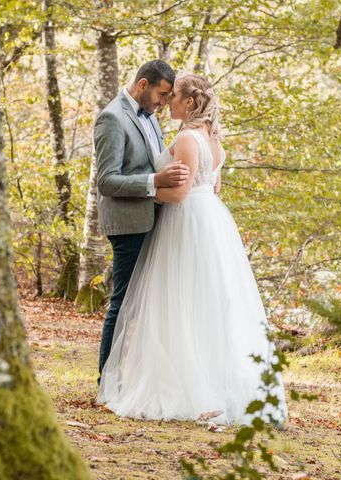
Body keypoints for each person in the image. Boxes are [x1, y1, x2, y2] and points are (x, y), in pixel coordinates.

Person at [97, 73, 287, 426]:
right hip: (210, 222)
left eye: (173, 97)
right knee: (206, 305)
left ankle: (182, 385)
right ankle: (211, 383)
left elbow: (181, 193)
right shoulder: (212, 138)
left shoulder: (186, 137)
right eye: (164, 95)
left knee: (176, 303)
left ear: (188, 102)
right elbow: (213, 187)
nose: (167, 102)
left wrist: (151, 189)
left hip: (184, 220)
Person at [95, 60, 190, 382]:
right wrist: (155, 181)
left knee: (145, 304)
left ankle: (134, 379)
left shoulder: (150, 119)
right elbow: (107, 181)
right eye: (162, 94)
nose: (164, 103)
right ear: (142, 85)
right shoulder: (112, 118)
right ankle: (106, 381)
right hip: (129, 222)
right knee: (122, 304)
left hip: (153, 218)